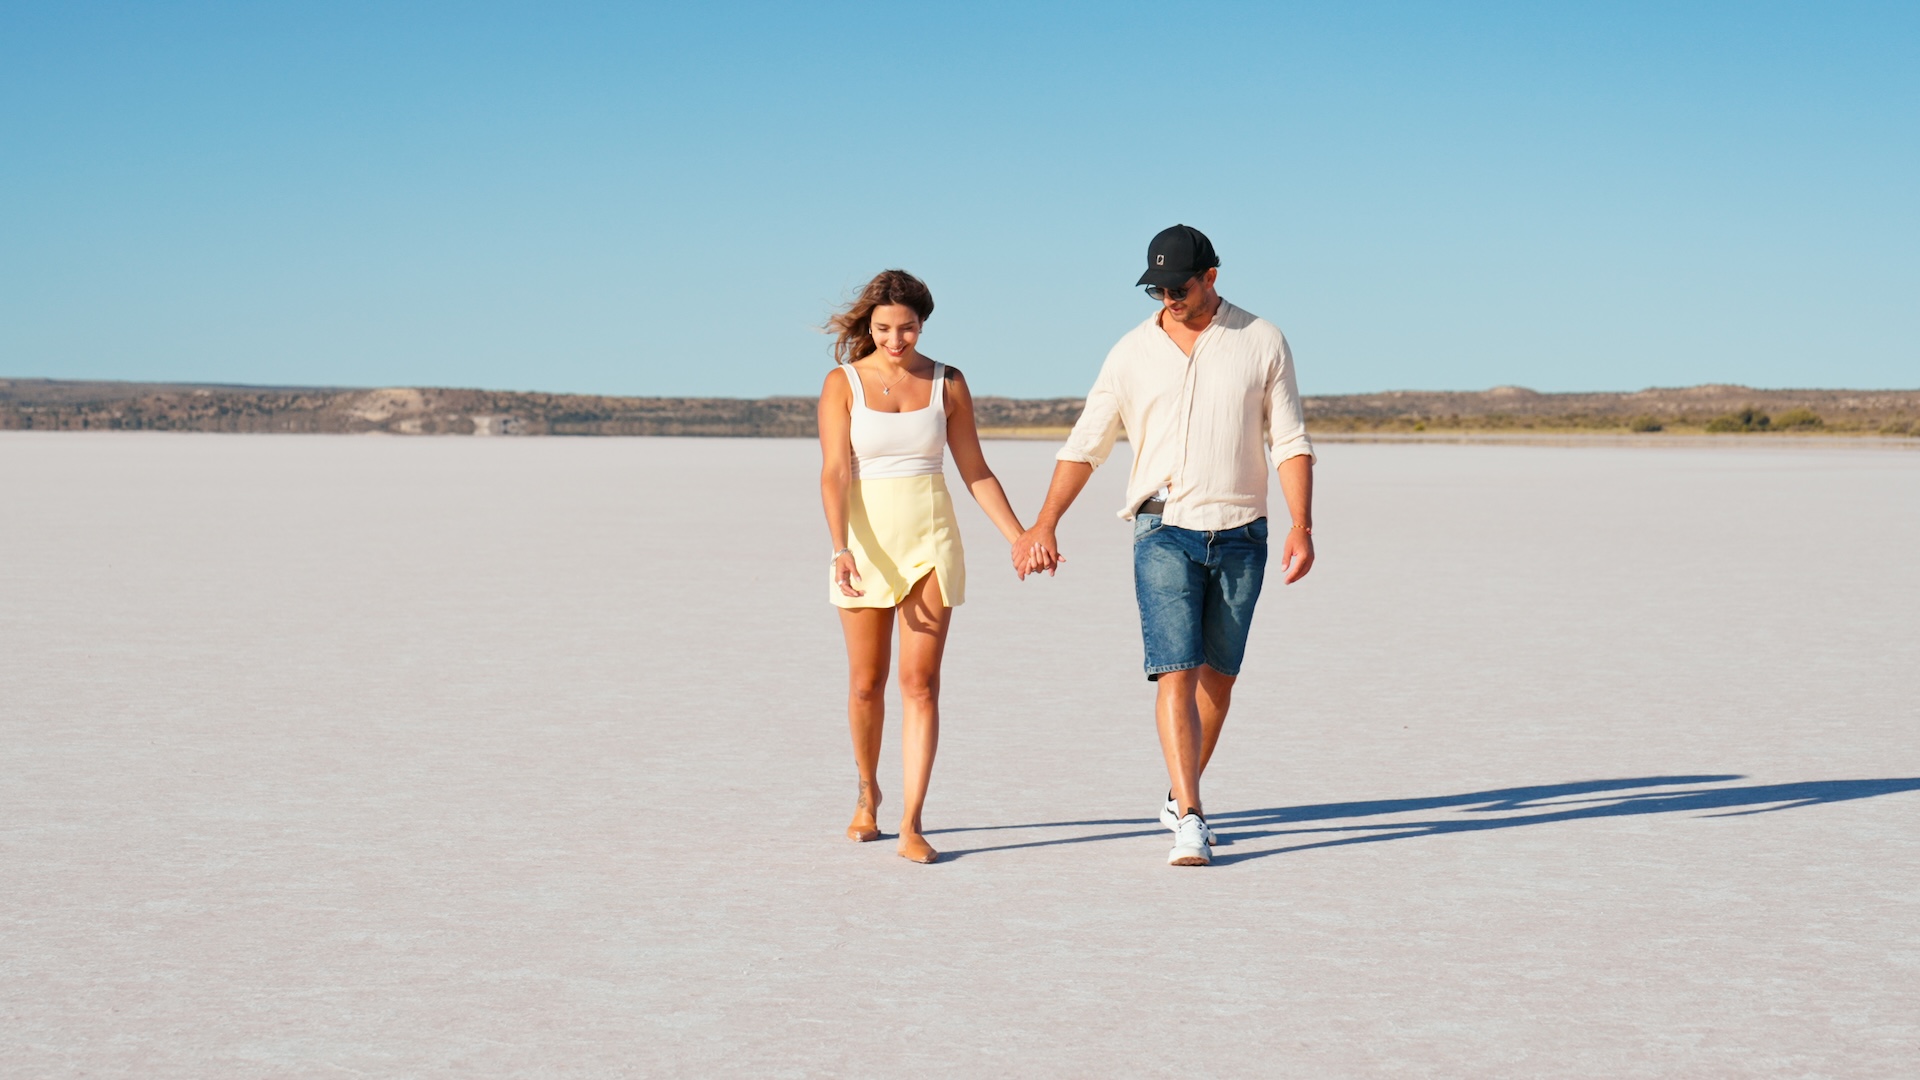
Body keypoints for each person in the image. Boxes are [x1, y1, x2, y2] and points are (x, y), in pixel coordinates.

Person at [1015, 225, 1316, 867]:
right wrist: (1045, 523)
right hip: (1162, 528)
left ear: (1211, 276)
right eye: (1157, 288)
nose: (1168, 298)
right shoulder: (1130, 352)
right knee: (1175, 670)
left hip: (1242, 532)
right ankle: (1192, 816)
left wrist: (1302, 524)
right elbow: (1086, 444)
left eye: (1178, 286)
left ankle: (1179, 794)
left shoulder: (1261, 340)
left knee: (1220, 679)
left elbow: (1288, 439)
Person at [818, 269, 1031, 864]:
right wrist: (839, 547)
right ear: (869, 326)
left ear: (922, 324)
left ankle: (912, 822)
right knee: (866, 685)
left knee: (921, 685)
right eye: (884, 328)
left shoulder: (948, 383)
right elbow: (835, 471)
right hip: (862, 545)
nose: (895, 340)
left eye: (906, 328)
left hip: (930, 542)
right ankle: (868, 794)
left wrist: (1019, 536)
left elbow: (976, 471)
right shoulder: (843, 384)